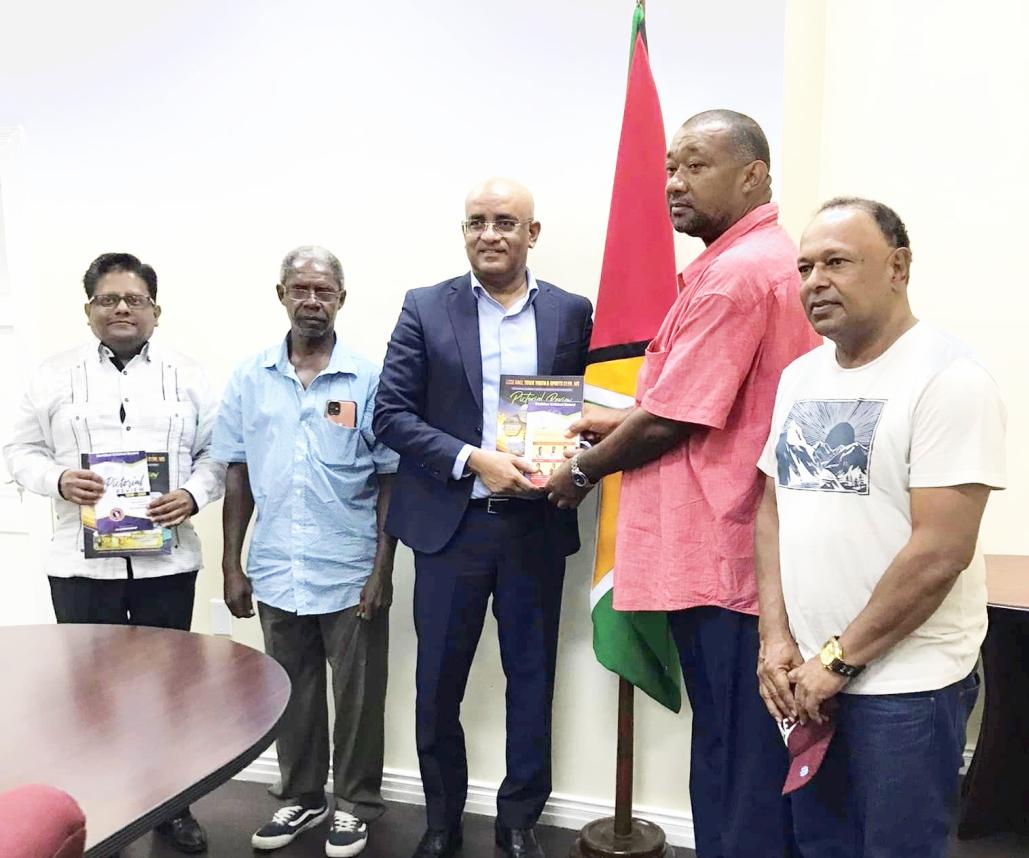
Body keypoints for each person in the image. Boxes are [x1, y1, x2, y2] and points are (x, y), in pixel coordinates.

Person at [546, 110, 819, 858]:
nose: (673, 183)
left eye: (696, 166)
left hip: (727, 559)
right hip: (737, 554)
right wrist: (618, 421)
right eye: (670, 167)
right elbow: (701, 403)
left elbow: (672, 420)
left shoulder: (735, 276)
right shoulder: (756, 261)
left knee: (739, 762)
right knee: (736, 752)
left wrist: (581, 470)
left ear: (753, 175)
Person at [754, 198, 1006, 858]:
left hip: (904, 687)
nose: (814, 282)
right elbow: (772, 506)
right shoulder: (799, 377)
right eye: (804, 267)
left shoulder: (949, 379)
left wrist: (839, 659)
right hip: (808, 677)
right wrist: (775, 638)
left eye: (836, 262)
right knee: (822, 846)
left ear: (897, 268)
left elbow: (939, 551)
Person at [373, 178, 593, 858]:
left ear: (532, 233)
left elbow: (594, 406)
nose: (489, 234)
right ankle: (441, 821)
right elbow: (390, 415)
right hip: (451, 530)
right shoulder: (424, 307)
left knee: (532, 680)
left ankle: (518, 820)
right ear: (463, 231)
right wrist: (473, 460)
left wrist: (579, 462)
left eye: (504, 221)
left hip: (534, 527)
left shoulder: (571, 312)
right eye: (476, 222)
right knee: (438, 685)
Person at [3, 252, 224, 854]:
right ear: (89, 310)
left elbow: (218, 455)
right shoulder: (52, 376)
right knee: (89, 698)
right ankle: (100, 811)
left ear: (156, 310)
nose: (122, 308)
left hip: (166, 563)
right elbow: (19, 451)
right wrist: (57, 480)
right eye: (108, 299)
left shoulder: (189, 376)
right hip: (81, 565)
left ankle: (172, 808)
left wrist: (192, 494)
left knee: (171, 694)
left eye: (135, 299)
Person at [212, 246, 398, 858]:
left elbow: (390, 477)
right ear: (282, 295)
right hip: (276, 567)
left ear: (341, 300)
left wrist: (382, 570)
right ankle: (302, 795)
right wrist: (232, 565)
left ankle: (355, 804)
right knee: (291, 692)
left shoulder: (369, 379)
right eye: (300, 289)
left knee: (359, 699)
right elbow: (237, 471)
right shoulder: (250, 378)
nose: (311, 301)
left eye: (323, 291)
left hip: (349, 569)